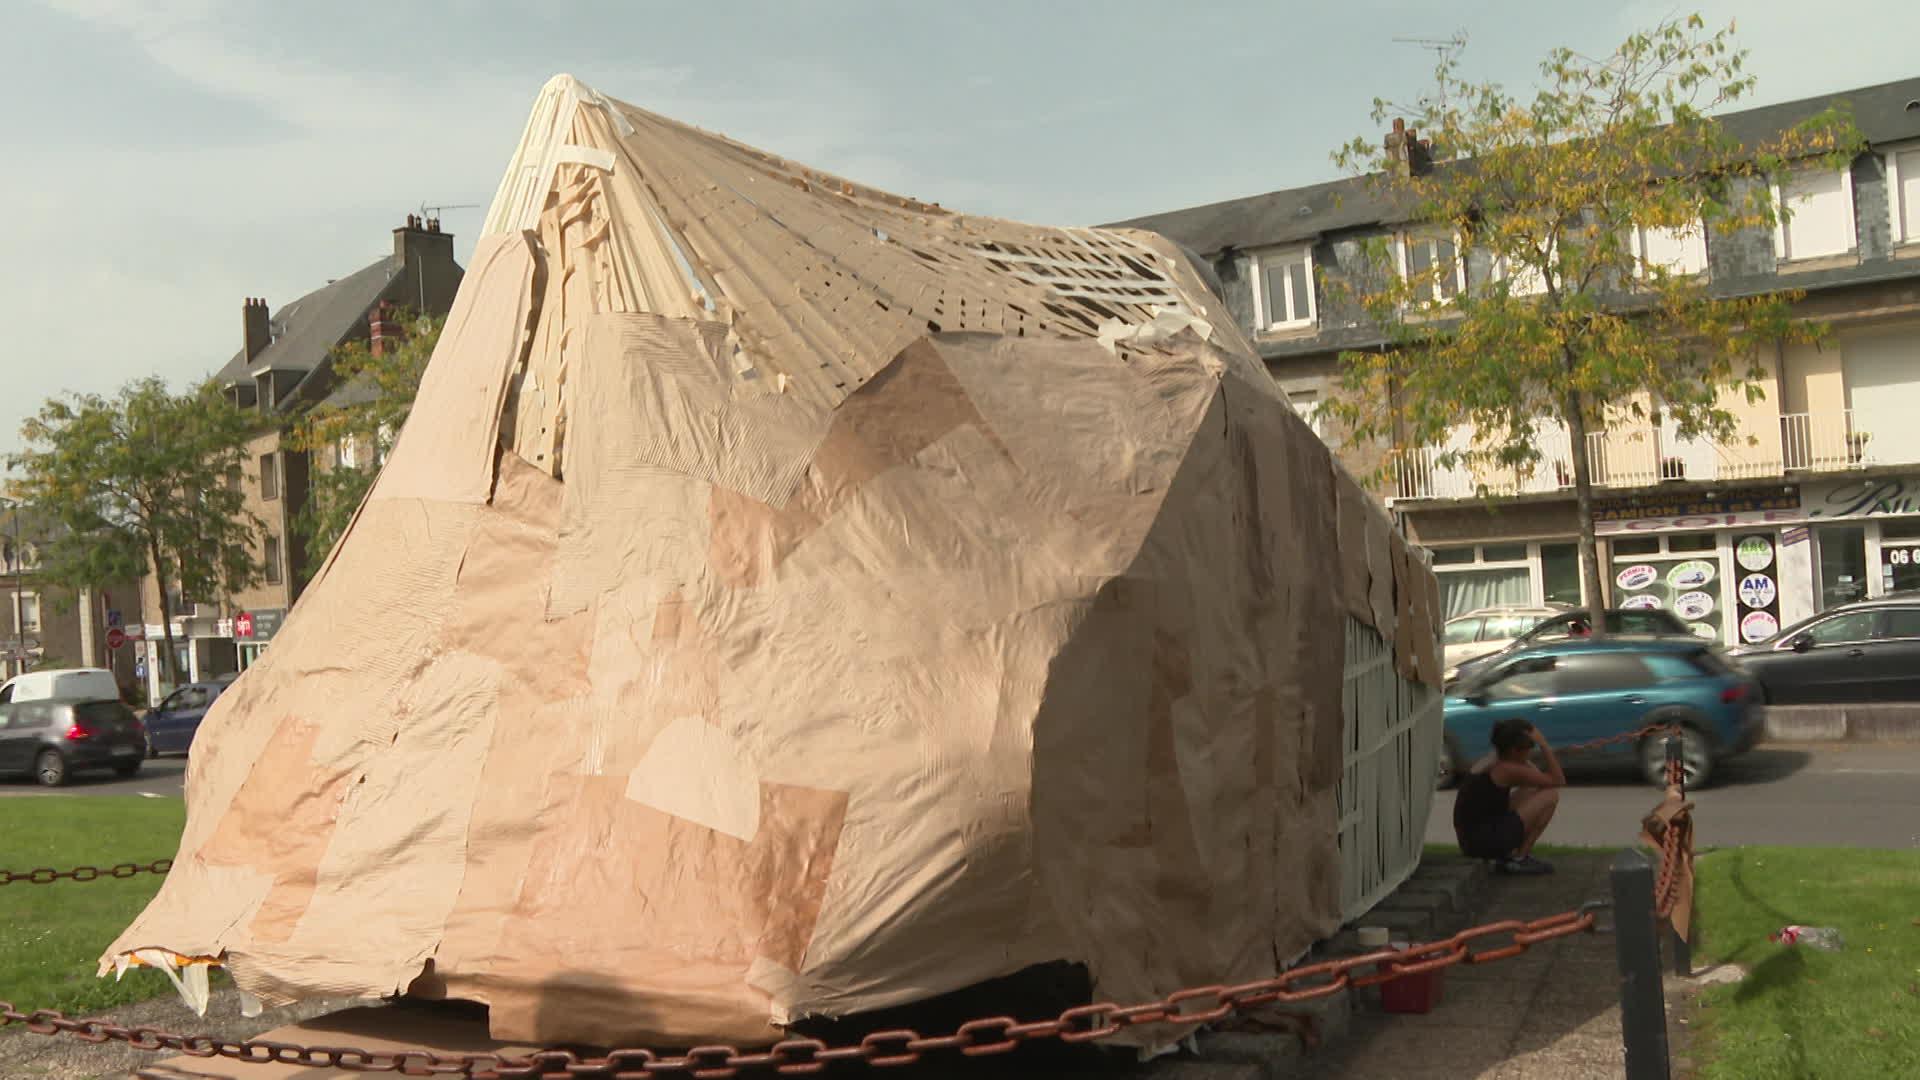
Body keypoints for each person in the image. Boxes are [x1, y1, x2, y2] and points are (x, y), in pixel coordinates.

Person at [1452, 716, 1564, 875]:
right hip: (1483, 842)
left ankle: (1512, 856)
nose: (1531, 752)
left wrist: (1525, 757)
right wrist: (1544, 744)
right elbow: (1558, 780)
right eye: (1528, 748)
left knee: (1532, 791)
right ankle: (1519, 859)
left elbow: (1538, 778)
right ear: (1514, 751)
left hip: (1474, 839)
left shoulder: (1494, 758)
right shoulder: (1506, 769)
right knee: (1550, 796)